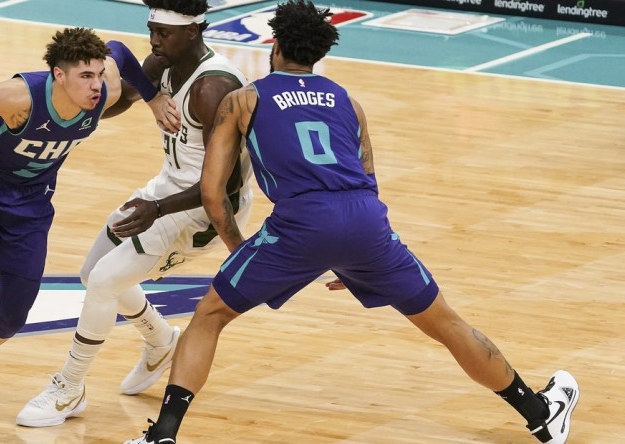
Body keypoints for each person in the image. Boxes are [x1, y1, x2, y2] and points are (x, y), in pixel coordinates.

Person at [125, 1, 580, 444]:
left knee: (210, 315)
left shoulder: (243, 100)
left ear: (276, 44)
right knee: (448, 324)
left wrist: (238, 247)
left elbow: (212, 192)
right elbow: (367, 181)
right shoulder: (348, 101)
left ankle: (162, 436)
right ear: (318, 51)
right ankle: (540, 414)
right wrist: (352, 259)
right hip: (366, 226)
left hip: (301, 223)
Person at [0, 27, 180, 414]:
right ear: (59, 75)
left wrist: (153, 96)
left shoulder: (104, 87)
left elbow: (121, 53)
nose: (97, 85)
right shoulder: (20, 96)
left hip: (32, 205)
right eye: (85, 76)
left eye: (98, 74)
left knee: (13, 317)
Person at [15, 0, 254, 428]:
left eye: (164, 33)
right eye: (152, 29)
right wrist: (67, 99)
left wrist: (158, 209)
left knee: (106, 283)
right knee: (93, 274)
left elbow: (226, 186)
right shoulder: (164, 63)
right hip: (165, 192)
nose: (154, 39)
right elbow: (117, 97)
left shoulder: (212, 88)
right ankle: (161, 340)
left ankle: (69, 388)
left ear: (193, 33)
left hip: (203, 212)